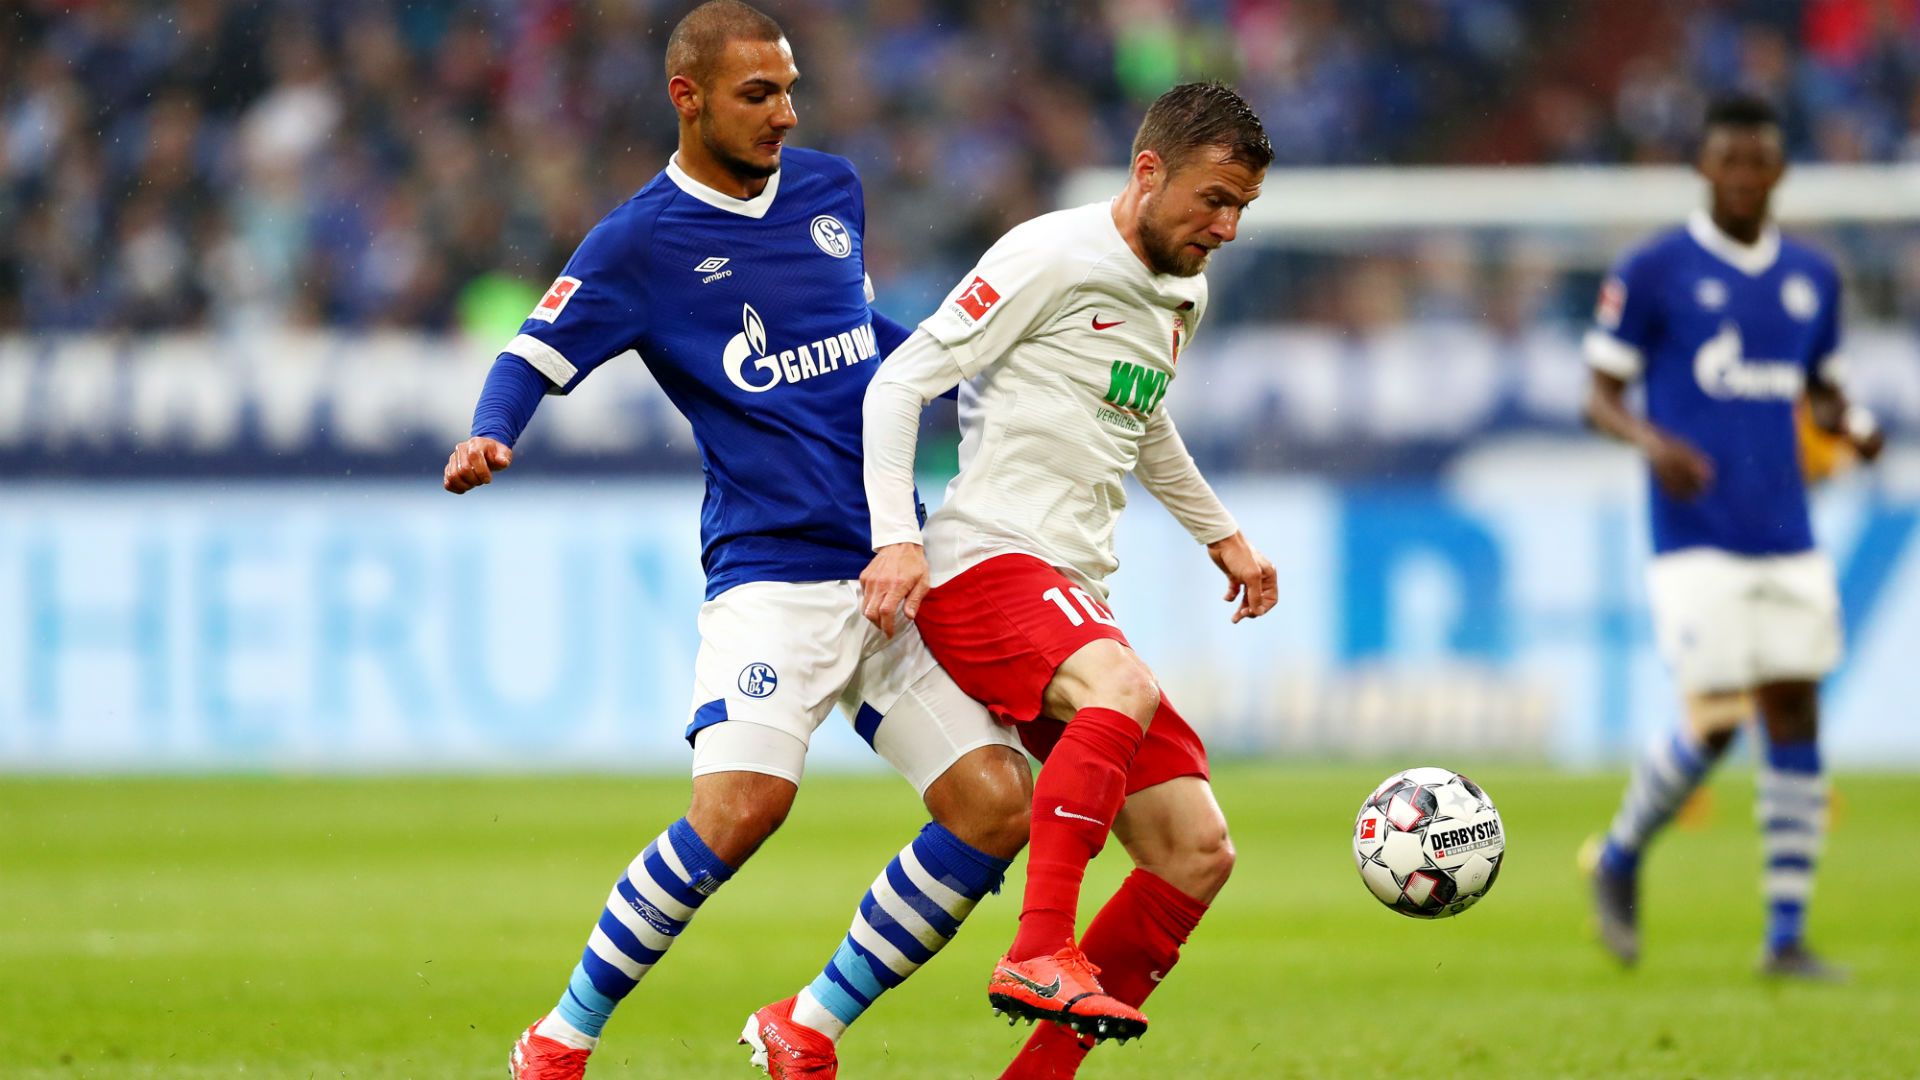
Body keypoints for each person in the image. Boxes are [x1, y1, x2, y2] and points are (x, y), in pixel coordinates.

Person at [442, 4, 1031, 1077]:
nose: (784, 113)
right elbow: (531, 352)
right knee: (742, 809)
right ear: (689, 97)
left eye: (790, 88)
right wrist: (492, 431)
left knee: (997, 806)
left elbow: (855, 341)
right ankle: (559, 1039)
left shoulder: (828, 190)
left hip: (894, 560)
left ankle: (808, 1023)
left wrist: (969, 369)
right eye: (758, 94)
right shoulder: (639, 244)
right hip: (772, 574)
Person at [858, 82, 1278, 1076]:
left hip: (1067, 588)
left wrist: (1221, 534)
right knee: (1121, 689)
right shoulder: (1048, 255)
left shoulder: (1185, 290)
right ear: (1147, 171)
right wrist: (896, 538)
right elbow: (901, 379)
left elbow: (1143, 415)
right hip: (986, 562)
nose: (1223, 228)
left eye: (1241, 211)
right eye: (1212, 200)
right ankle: (1040, 945)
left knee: (1195, 849)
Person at [1581, 93, 1883, 979]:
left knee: (1795, 705)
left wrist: (1854, 421)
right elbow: (1597, 395)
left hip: (1787, 528)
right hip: (1693, 532)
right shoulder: (1655, 270)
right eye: (1731, 161)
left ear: (1779, 171)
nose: (1746, 177)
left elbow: (1821, 389)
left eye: (1761, 162)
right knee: (1716, 719)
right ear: (1704, 168)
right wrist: (1653, 443)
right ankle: (1622, 856)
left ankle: (1785, 938)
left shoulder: (1813, 277)